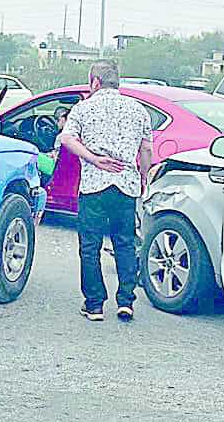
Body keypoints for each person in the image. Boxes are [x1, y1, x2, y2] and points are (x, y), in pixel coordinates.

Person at [59, 60, 154, 322]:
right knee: (124, 242)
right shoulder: (138, 110)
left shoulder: (83, 109)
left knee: (90, 246)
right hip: (125, 185)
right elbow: (146, 150)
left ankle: (94, 305)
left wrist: (92, 158)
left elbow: (66, 139)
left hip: (93, 185)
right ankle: (126, 302)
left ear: (95, 82)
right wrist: (143, 174)